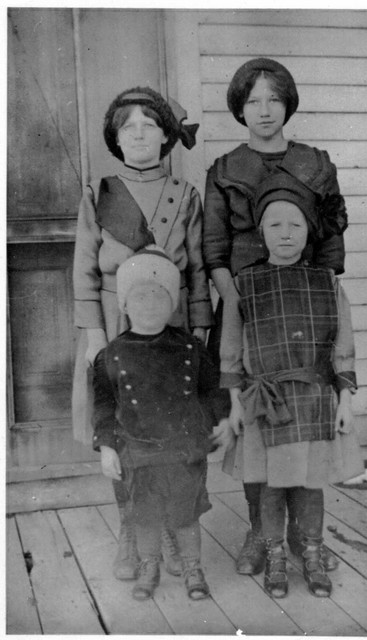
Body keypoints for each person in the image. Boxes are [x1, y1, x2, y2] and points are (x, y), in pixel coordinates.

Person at [203, 57, 348, 576]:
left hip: (303, 314)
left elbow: (331, 247)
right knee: (256, 433)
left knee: (303, 428)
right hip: (248, 309)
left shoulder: (316, 162)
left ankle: (304, 538)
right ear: (239, 109)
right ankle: (259, 534)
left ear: (288, 102)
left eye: (273, 98)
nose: (263, 110)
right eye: (252, 101)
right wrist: (239, 301)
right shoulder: (224, 170)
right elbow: (214, 250)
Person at [72, 86, 214, 581]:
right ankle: (132, 532)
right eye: (127, 126)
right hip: (114, 321)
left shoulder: (186, 195)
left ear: (166, 136)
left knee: (171, 428)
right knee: (127, 431)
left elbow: (196, 268)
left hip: (171, 325)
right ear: (115, 136)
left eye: (149, 125)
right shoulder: (99, 193)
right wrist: (94, 337)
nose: (138, 134)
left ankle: (175, 530)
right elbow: (85, 271)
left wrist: (198, 327)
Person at [218, 169, 363, 599]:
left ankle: (313, 552)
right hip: (264, 400)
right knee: (269, 485)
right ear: (260, 232)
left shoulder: (327, 283)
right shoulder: (245, 285)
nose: (286, 234)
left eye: (296, 224)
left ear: (310, 231)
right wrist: (233, 404)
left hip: (314, 398)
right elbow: (230, 349)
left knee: (310, 484)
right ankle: (275, 553)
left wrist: (345, 401)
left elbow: (343, 348)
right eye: (275, 225)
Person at [92, 246, 216, 601]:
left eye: (159, 295)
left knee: (186, 513)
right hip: (137, 449)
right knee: (144, 515)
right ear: (125, 305)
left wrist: (207, 430)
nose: (149, 304)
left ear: (173, 304)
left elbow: (211, 394)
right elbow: (103, 405)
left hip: (182, 449)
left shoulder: (191, 348)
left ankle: (193, 567)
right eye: (140, 296)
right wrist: (107, 448)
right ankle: (149, 566)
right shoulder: (112, 354)